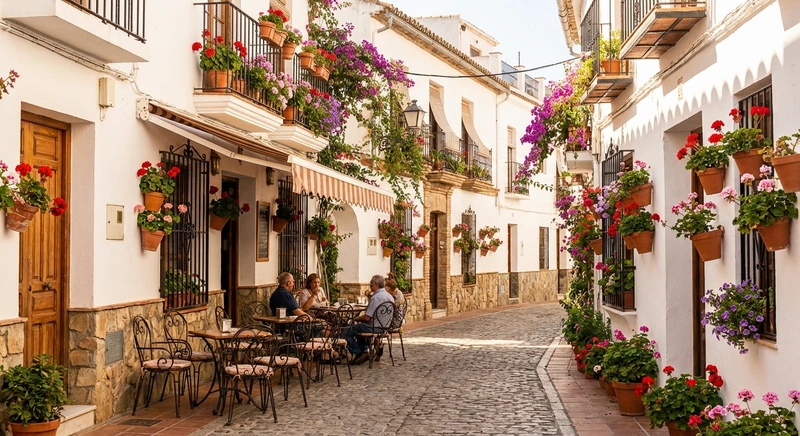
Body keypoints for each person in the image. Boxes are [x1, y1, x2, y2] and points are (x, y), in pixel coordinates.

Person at [342, 275, 394, 365]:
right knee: (358, 328)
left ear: (376, 284)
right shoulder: (390, 297)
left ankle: (360, 352)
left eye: (371, 284)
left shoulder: (376, 297)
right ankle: (364, 350)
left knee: (345, 331)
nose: (370, 286)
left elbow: (367, 317)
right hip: (385, 327)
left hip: (374, 327)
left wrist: (356, 318)